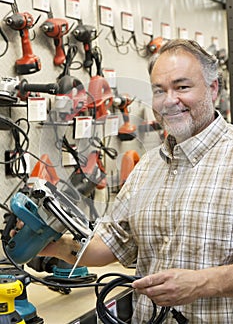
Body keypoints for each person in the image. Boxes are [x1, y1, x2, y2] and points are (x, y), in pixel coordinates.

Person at [13, 39, 233, 323]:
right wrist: (51, 243)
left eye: (182, 87)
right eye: (159, 90)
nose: (169, 100)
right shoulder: (148, 166)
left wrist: (204, 283)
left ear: (212, 88)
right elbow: (112, 243)